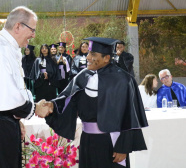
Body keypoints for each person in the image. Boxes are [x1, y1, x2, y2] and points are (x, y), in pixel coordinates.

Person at [44, 37, 148, 168]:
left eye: (92, 54)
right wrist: (51, 106)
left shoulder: (123, 80)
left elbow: (130, 115)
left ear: (106, 58)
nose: (87, 57)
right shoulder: (82, 76)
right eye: (88, 53)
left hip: (112, 144)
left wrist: (123, 147)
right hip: (87, 141)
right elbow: (67, 100)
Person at [0, 6, 51, 168]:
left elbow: (3, 96)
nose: (33, 35)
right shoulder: (1, 50)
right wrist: (35, 108)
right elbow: (10, 97)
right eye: (32, 30)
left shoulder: (2, 46)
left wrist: (16, 118)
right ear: (18, 26)